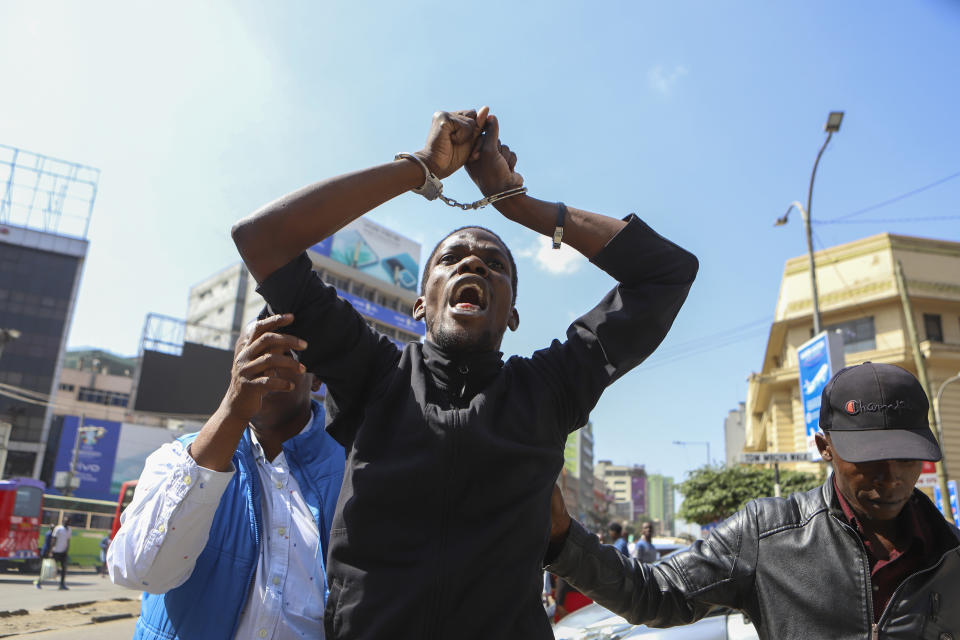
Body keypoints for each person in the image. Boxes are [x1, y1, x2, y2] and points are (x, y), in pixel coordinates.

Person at [231, 106, 698, 639]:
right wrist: (422, 168)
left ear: (513, 314)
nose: (473, 264)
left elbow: (667, 273)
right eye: (452, 259)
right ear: (420, 305)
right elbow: (261, 239)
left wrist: (518, 205)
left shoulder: (547, 390)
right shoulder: (373, 374)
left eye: (495, 263)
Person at [546, 362, 960, 639]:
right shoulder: (766, 533)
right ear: (825, 447)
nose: (891, 475)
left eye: (907, 457)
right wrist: (563, 540)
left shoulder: (952, 555)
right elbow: (654, 593)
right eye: (868, 458)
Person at [108, 316, 345, 640]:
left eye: (279, 354)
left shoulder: (353, 470)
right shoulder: (178, 457)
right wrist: (233, 412)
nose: (261, 367)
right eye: (251, 354)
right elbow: (139, 572)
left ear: (316, 378)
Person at [49, 518, 71, 590]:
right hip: (56, 551)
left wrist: (67, 550)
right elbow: (53, 539)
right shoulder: (58, 529)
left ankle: (62, 584)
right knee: (50, 568)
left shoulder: (69, 530)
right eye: (65, 521)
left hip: (63, 552)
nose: (66, 522)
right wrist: (51, 551)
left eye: (68, 521)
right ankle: (39, 581)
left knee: (64, 568)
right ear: (63, 522)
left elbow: (68, 540)